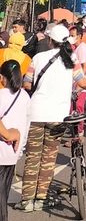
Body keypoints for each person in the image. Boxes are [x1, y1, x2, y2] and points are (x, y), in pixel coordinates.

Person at [18, 24, 86, 210]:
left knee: (33, 157)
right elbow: (82, 82)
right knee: (49, 158)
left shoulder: (38, 58)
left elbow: (26, 84)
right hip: (58, 116)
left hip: (36, 114)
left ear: (50, 40)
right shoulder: (71, 59)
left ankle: (27, 201)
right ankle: (41, 198)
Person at [0, 60, 30, 220]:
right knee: (3, 194)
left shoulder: (1, 95)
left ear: (2, 77)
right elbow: (26, 125)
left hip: (2, 148)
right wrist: (19, 151)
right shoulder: (25, 96)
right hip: (12, 153)